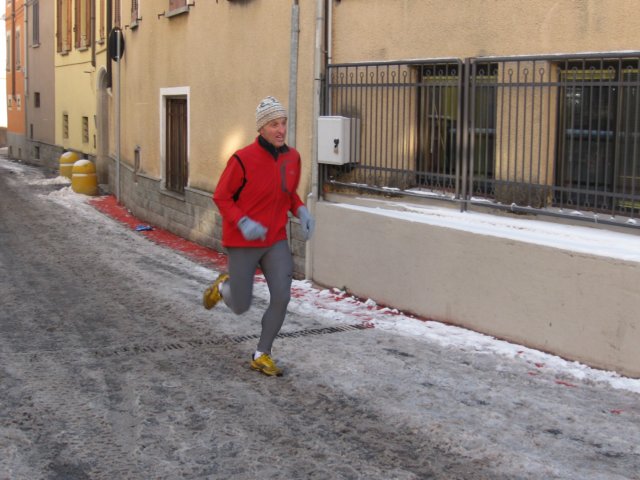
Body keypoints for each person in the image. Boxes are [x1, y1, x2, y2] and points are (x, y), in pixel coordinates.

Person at [204, 96, 315, 377]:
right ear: (261, 128)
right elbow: (222, 196)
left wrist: (301, 210)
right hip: (243, 240)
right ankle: (224, 288)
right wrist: (243, 221)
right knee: (240, 306)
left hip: (274, 239)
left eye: (283, 123)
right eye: (274, 124)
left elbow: (288, 194)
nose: (281, 130)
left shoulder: (293, 158)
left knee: (282, 296)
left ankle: (262, 353)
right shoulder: (242, 159)